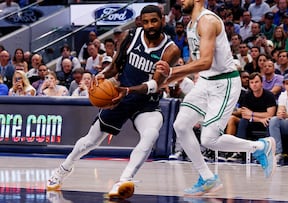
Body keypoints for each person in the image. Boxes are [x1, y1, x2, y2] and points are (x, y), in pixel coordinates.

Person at [46, 5, 181, 200]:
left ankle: (124, 180)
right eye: (146, 22)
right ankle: (63, 169)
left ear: (163, 19)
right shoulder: (130, 37)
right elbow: (116, 65)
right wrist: (100, 75)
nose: (150, 25)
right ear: (140, 22)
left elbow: (154, 84)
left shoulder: (171, 50)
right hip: (119, 97)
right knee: (89, 142)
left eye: (154, 21)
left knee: (150, 134)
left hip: (146, 102)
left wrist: (127, 90)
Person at [156, 0, 276, 196]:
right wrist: (164, 81)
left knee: (209, 139)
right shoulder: (190, 25)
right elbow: (196, 63)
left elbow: (205, 61)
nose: (179, 1)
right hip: (205, 81)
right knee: (181, 125)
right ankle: (207, 178)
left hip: (224, 83)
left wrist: (172, 71)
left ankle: (260, 147)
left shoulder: (208, 21)